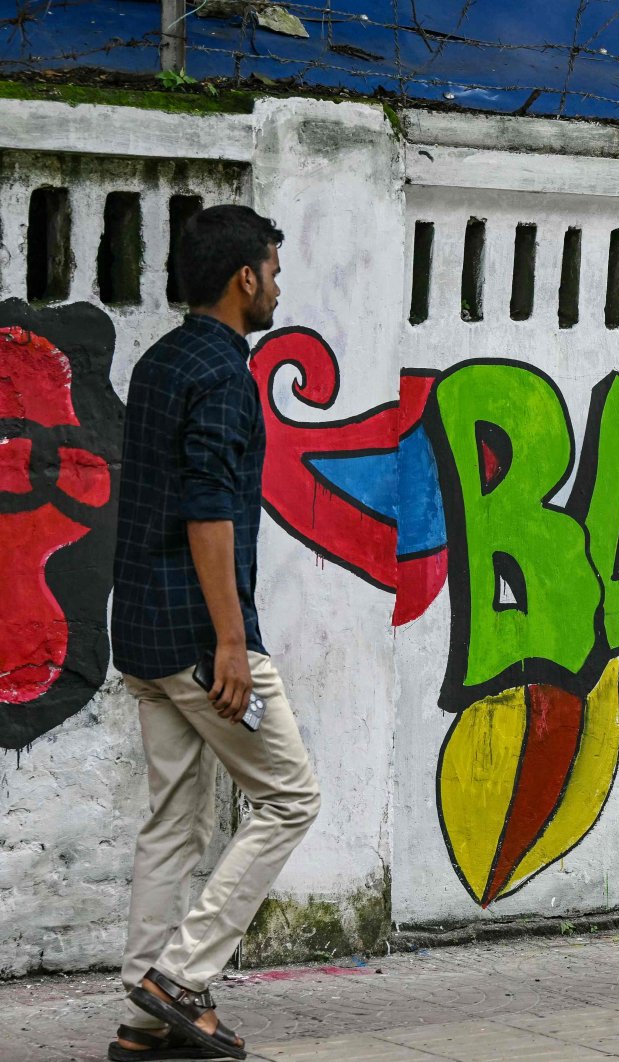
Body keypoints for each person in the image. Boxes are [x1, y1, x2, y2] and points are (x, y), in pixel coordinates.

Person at [109, 205, 319, 1062]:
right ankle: (182, 980)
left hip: (145, 639)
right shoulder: (225, 375)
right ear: (244, 279)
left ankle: (141, 1014)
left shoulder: (162, 361)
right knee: (291, 797)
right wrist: (232, 646)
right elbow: (207, 512)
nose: (278, 282)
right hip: (202, 642)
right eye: (272, 268)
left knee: (177, 819)